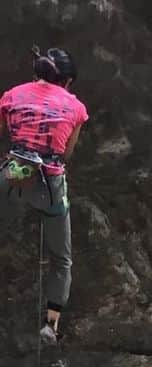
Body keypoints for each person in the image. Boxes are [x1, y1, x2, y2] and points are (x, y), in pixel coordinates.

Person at [0, 47, 88, 346]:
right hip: (48, 182)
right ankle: (51, 325)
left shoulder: (12, 95)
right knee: (62, 259)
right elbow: (66, 153)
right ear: (65, 81)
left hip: (14, 173)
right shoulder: (76, 107)